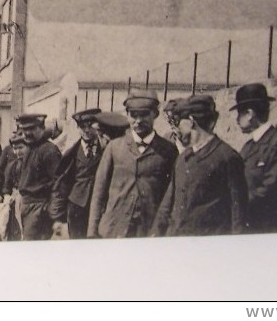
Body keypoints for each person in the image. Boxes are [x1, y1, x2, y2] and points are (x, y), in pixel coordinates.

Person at [87, 88, 177, 239]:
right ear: (127, 115)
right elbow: (99, 192)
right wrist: (92, 232)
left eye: (144, 115)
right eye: (133, 115)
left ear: (155, 114)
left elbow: (171, 196)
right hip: (114, 230)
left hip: (149, 232)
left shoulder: (168, 150)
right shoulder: (114, 147)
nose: (138, 120)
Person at [153, 95, 248, 237]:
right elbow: (166, 206)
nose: (177, 127)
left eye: (180, 122)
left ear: (191, 122)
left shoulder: (228, 157)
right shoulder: (183, 158)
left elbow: (238, 215)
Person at [232, 83, 277, 233]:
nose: (236, 119)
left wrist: (235, 204)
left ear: (249, 114)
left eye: (239, 114)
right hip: (246, 224)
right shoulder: (248, 146)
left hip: (266, 226)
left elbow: (269, 189)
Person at [50, 108, 105, 239]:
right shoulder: (72, 153)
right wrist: (57, 216)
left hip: (100, 207)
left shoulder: (106, 149)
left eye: (90, 126)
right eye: (82, 127)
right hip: (77, 208)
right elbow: (62, 183)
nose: (86, 130)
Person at [15, 113, 62, 240]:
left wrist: (55, 214)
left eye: (31, 129)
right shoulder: (31, 147)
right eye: (24, 129)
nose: (27, 133)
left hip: (39, 208)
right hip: (26, 205)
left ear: (41, 128)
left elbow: (59, 183)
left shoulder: (49, 150)